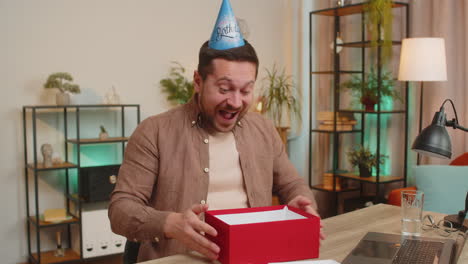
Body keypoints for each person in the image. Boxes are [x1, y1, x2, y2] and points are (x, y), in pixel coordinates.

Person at [109, 0, 321, 262]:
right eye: (224, 88)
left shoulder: (264, 129)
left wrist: (302, 201)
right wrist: (170, 224)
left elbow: (292, 184)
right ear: (198, 81)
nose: (235, 102)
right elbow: (120, 210)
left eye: (245, 91)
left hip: (256, 255)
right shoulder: (154, 131)